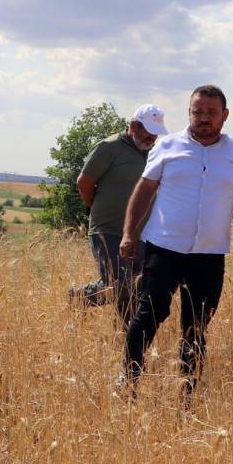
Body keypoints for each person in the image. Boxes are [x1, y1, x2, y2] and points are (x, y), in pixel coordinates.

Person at [118, 85, 233, 403]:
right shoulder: (167, 146)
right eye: (198, 111)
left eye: (211, 112)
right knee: (148, 314)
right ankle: (128, 382)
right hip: (163, 248)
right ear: (189, 113)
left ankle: (188, 394)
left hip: (209, 255)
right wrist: (129, 233)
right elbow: (144, 191)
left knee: (196, 326)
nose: (204, 118)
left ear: (225, 115)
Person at [71, 105, 166, 324]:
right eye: (148, 131)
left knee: (137, 285)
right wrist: (97, 208)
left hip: (142, 233)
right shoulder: (108, 147)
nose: (152, 137)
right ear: (133, 126)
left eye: (155, 133)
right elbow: (84, 182)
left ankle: (125, 339)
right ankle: (84, 299)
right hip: (108, 229)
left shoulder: (152, 153)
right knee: (121, 286)